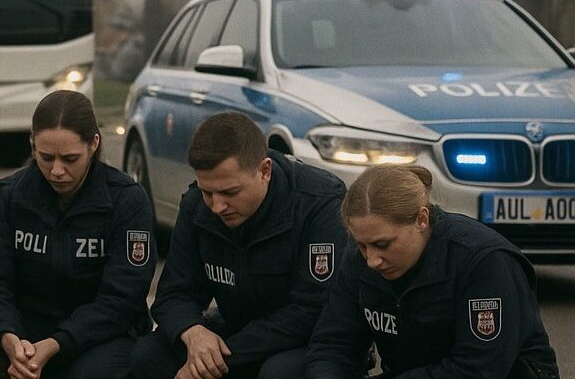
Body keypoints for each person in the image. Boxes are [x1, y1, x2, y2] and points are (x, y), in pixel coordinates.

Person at [0, 90, 156, 379]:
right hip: (25, 333)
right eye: (45, 157)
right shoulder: (9, 198)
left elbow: (122, 298)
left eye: (70, 159)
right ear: (32, 145)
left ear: (94, 144)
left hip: (101, 336)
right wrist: (9, 338)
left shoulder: (127, 201)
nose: (56, 170)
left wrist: (60, 342)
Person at [129, 112, 347, 379]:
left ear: (264, 170)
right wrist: (193, 333)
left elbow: (312, 311)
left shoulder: (318, 204)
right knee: (148, 355)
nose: (217, 206)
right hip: (233, 329)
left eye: (230, 192)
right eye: (207, 191)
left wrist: (222, 355)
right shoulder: (197, 205)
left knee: (278, 373)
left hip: (303, 341)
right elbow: (173, 294)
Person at [306, 164, 559, 379]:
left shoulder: (483, 260)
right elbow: (333, 343)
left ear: (422, 219)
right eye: (362, 245)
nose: (372, 260)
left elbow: (479, 369)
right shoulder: (358, 258)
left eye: (383, 245)